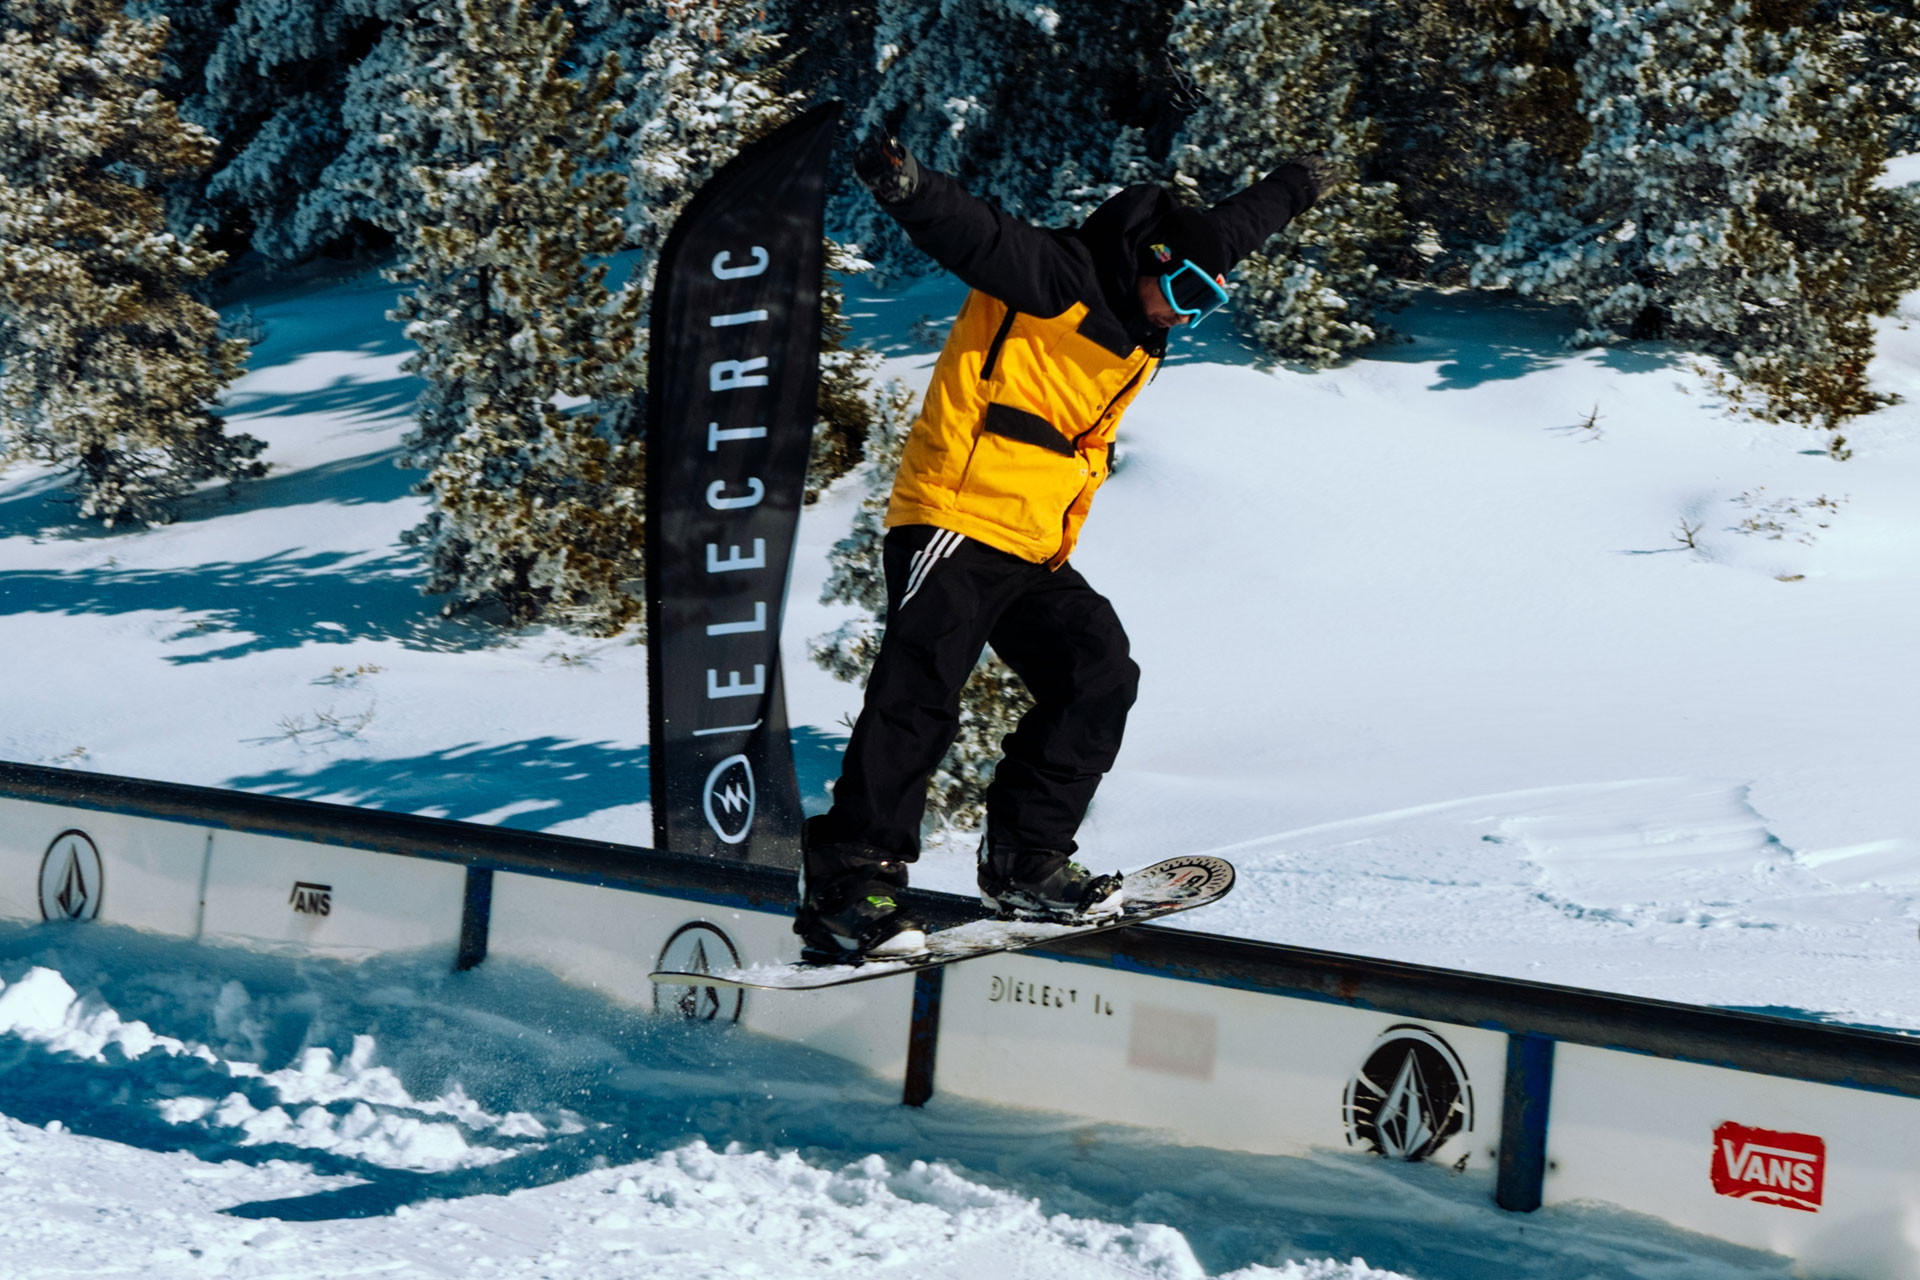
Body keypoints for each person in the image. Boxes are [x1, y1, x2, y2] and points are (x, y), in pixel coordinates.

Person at [796, 131, 1338, 961]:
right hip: (956, 513)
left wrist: (1297, 181)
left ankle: (1026, 861)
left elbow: (1235, 226)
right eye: (1182, 293)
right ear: (1149, 260)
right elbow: (973, 229)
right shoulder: (1057, 276)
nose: (1182, 316)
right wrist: (908, 188)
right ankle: (850, 884)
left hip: (1034, 542)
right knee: (920, 694)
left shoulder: (1160, 285)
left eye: (1205, 306)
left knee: (1098, 673)